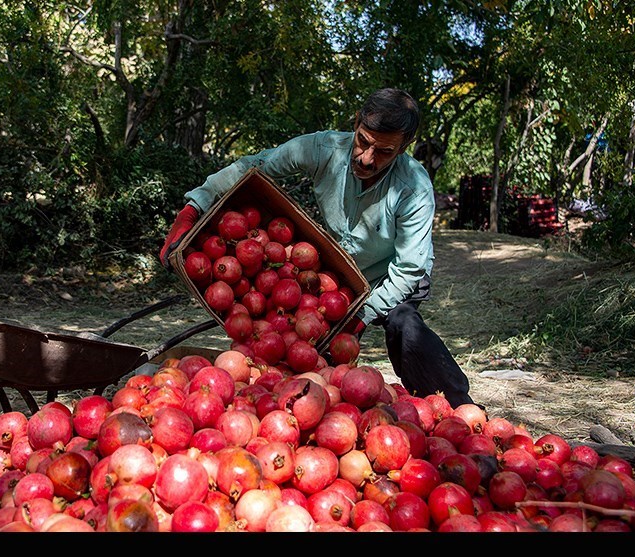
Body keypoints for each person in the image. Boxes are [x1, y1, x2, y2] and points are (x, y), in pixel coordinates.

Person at [160, 87, 475, 408]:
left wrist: (360, 317)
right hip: (340, 277)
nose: (367, 158)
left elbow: (409, 268)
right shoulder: (325, 149)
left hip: (393, 276)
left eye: (383, 151)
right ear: (356, 123)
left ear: (404, 147)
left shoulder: (414, 187)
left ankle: (455, 407)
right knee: (313, 360)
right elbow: (255, 166)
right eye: (363, 141)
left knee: (404, 325)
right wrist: (194, 206)